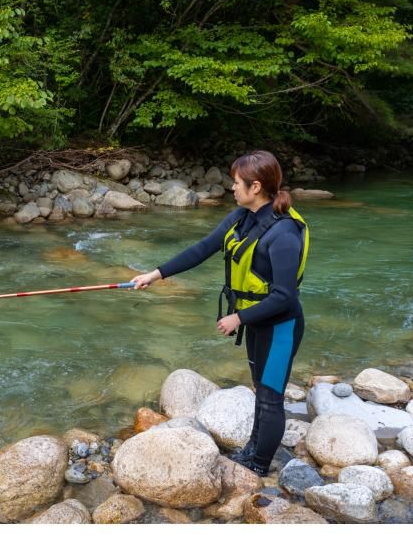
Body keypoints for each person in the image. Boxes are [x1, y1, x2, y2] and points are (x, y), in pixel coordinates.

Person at [130, 150, 309, 476]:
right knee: (261, 390)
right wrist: (155, 274)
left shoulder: (284, 234)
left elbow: (284, 296)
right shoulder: (242, 217)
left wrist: (238, 318)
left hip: (280, 326)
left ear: (256, 187)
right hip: (257, 323)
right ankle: (253, 451)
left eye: (236, 182)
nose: (232, 188)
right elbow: (202, 249)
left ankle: (257, 468)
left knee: (270, 398)